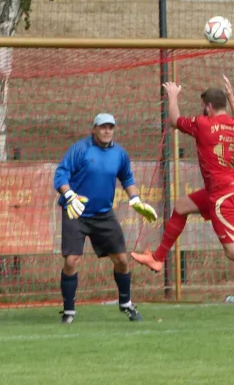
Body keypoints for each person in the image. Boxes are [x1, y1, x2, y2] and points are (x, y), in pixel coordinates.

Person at [131, 76, 234, 311]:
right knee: (181, 206)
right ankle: (158, 258)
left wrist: (173, 95)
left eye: (203, 107)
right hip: (230, 189)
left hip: (222, 195)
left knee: (233, 251)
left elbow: (175, 120)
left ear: (208, 107)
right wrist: (233, 97)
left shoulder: (203, 124)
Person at [54, 113, 157, 323]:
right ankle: (69, 312)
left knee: (121, 259)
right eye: (103, 127)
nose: (107, 131)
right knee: (72, 260)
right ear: (94, 129)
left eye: (110, 127)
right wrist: (69, 195)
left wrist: (135, 199)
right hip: (76, 212)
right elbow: (61, 175)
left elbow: (127, 177)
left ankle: (126, 304)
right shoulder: (80, 149)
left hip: (103, 214)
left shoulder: (119, 153)